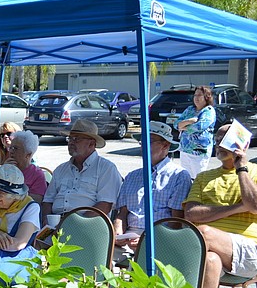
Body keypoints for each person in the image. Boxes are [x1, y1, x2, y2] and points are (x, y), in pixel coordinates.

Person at [183, 123, 257, 288]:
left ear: (245, 144)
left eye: (225, 140)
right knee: (211, 261)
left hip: (250, 249)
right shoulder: (204, 177)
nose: (219, 144)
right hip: (212, 250)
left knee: (202, 233)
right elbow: (191, 214)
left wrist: (241, 168)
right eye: (217, 139)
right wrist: (240, 207)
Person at [113, 121, 192, 260]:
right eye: (142, 141)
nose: (143, 145)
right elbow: (122, 214)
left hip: (160, 241)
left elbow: (176, 221)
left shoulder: (178, 176)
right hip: (128, 239)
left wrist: (149, 240)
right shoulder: (132, 176)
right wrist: (118, 233)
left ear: (165, 145)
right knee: (100, 258)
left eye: (149, 141)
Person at [42, 120, 122, 218]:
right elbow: (48, 201)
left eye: (76, 139)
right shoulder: (60, 169)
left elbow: (105, 205)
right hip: (56, 223)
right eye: (70, 138)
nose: (71, 142)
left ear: (91, 144)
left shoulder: (106, 168)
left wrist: (77, 224)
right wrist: (47, 220)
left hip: (87, 225)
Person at [175, 85, 217, 179]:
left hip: (199, 152)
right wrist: (189, 121)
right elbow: (176, 124)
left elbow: (199, 127)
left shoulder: (209, 111)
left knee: (198, 179)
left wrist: (183, 126)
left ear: (207, 97)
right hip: (185, 150)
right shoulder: (190, 109)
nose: (196, 98)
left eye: (199, 95)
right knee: (186, 178)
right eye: (195, 95)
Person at [4, 130, 47, 202]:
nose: (11, 151)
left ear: (28, 154)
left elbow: (36, 201)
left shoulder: (37, 175)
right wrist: (4, 170)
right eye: (10, 147)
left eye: (15, 148)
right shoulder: (6, 168)